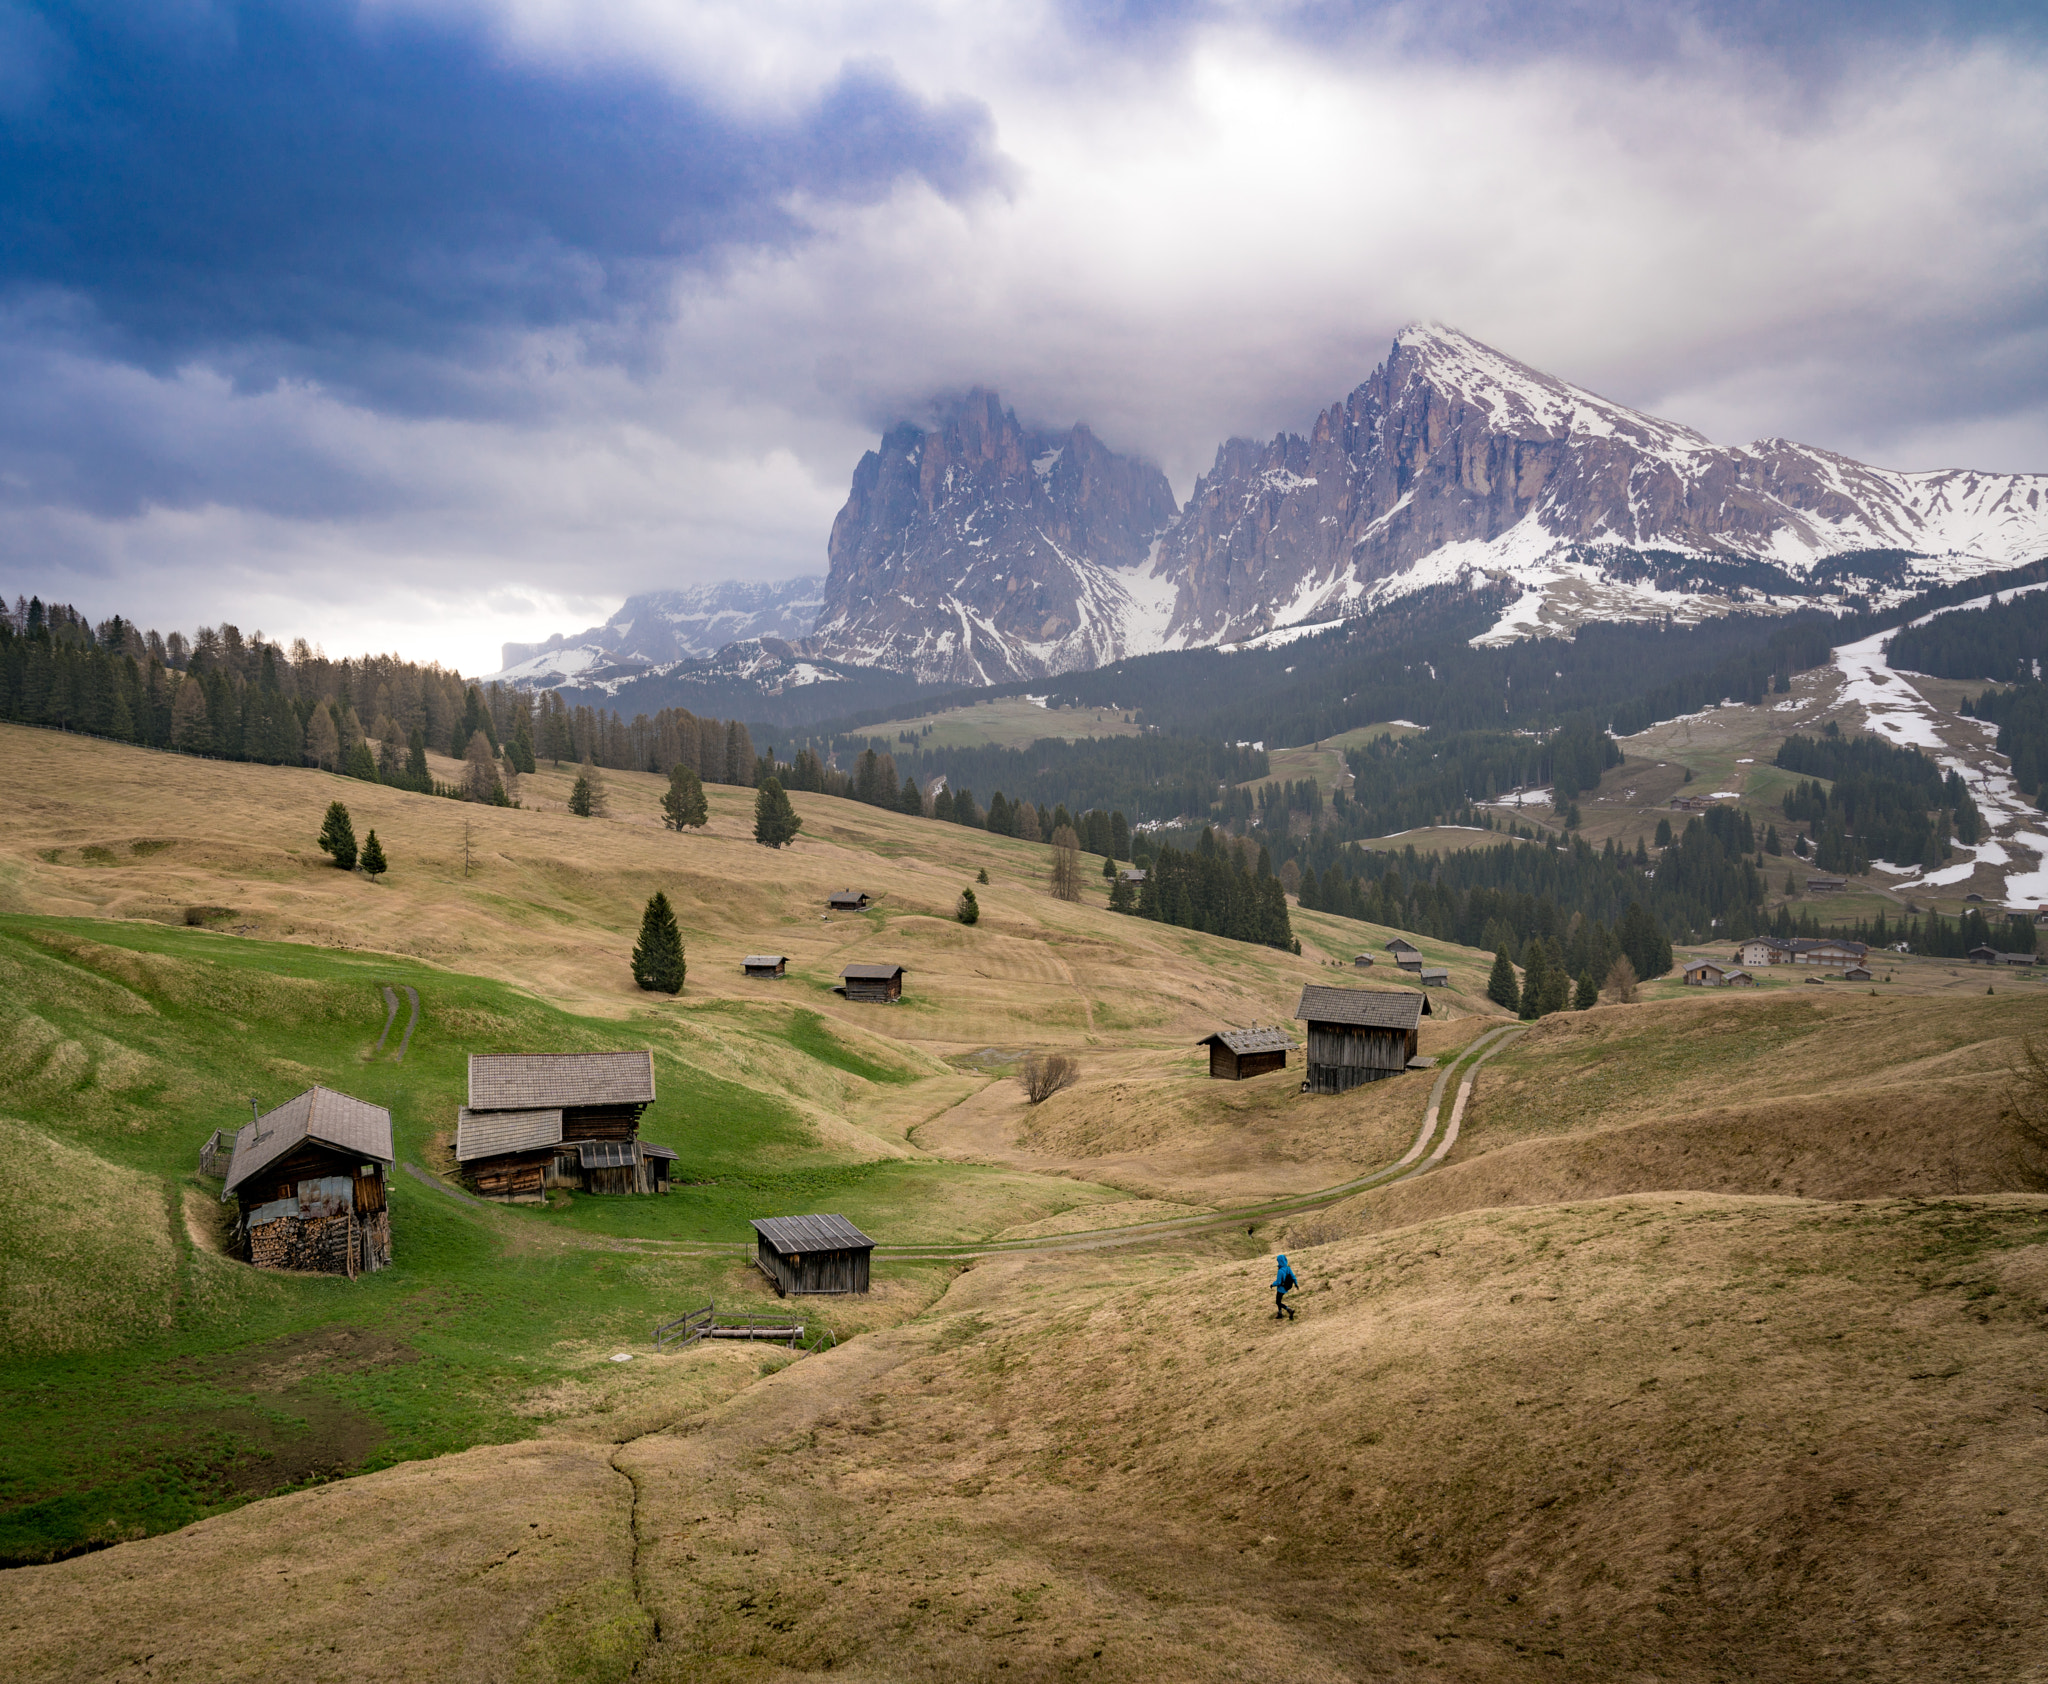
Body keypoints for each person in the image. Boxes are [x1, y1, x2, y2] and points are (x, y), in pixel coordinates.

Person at [1272, 1253, 1298, 1321]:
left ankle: (1289, 1310)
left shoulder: (1280, 1271)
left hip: (1281, 1289)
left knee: (1278, 1302)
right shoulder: (1288, 1268)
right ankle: (1280, 1313)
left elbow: (1278, 1282)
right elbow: (1293, 1277)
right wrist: (1296, 1284)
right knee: (1279, 1300)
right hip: (1287, 1287)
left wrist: (1272, 1284)